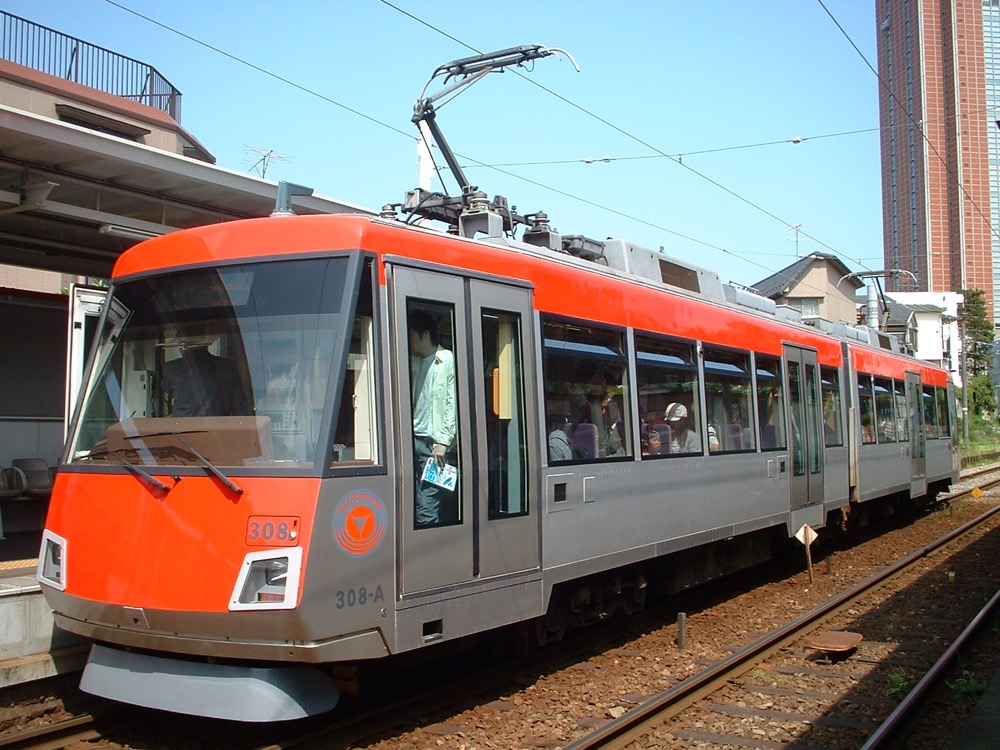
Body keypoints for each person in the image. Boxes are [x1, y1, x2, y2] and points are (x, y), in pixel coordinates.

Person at [409, 309, 457, 526]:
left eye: (412, 335)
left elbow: (451, 403)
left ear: (425, 335)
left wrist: (443, 442)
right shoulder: (415, 361)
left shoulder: (445, 359)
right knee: (417, 497)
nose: (409, 341)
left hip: (432, 444)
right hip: (413, 439)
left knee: (426, 502)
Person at [161, 344, 249, 417]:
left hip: (181, 433)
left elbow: (167, 390)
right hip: (218, 432)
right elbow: (240, 407)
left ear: (182, 348)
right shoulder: (228, 366)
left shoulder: (170, 368)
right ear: (206, 346)